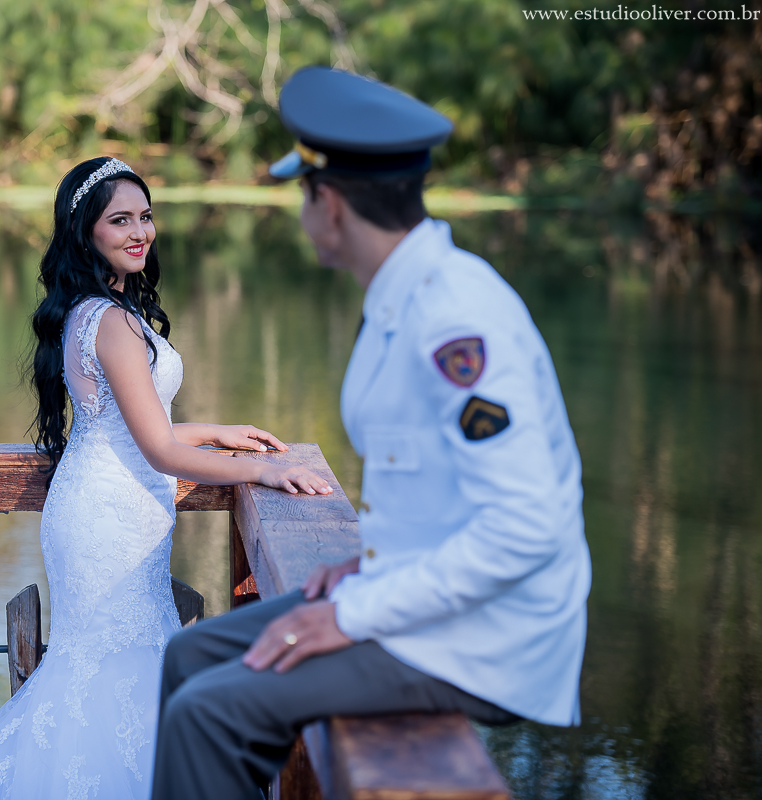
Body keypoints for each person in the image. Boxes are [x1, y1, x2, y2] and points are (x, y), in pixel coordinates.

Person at [150, 67, 592, 800]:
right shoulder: (400, 297)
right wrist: (365, 569)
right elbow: (427, 483)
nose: (301, 213)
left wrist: (353, 613)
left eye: (303, 195)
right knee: (192, 659)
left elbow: (525, 529)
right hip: (423, 596)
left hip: (487, 635)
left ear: (328, 204)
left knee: (209, 714)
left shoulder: (454, 320)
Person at [0, 157, 331, 799]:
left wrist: (216, 430)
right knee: (108, 675)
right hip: (108, 522)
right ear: (88, 233)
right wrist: (265, 469)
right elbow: (157, 449)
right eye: (120, 220)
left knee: (116, 672)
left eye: (145, 216)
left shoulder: (93, 310)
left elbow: (120, 426)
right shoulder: (111, 320)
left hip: (106, 505)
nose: (140, 232)